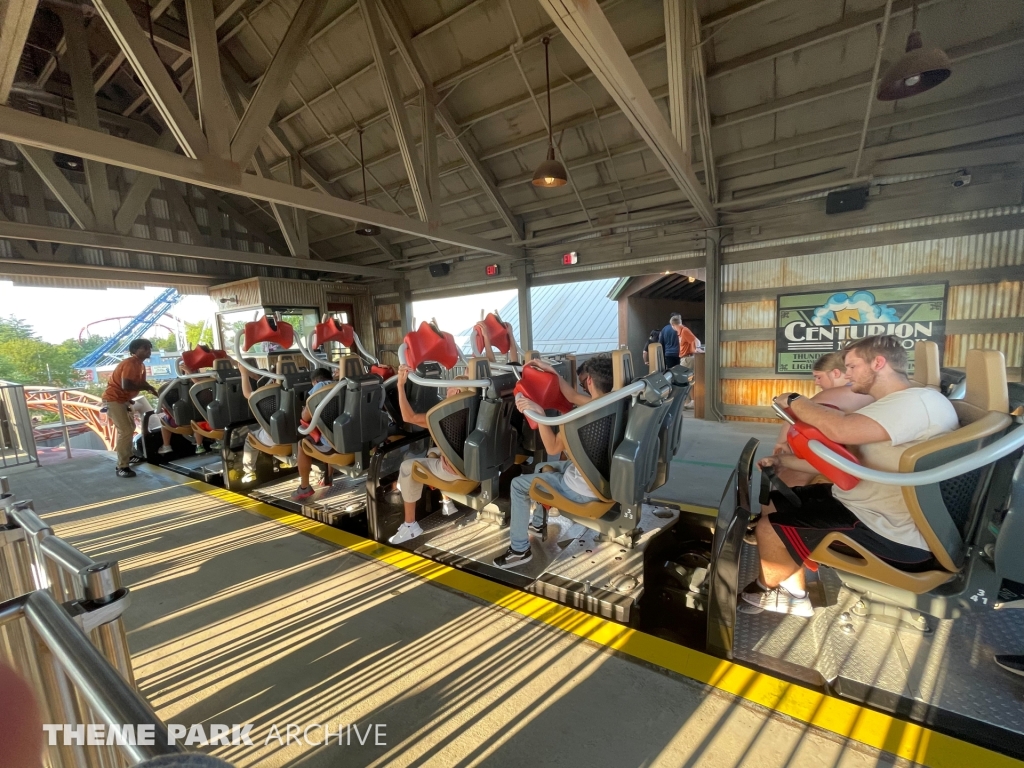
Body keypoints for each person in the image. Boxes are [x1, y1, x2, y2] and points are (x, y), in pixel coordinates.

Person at [742, 334, 959, 617]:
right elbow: (849, 463)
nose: (846, 374)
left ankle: (777, 591)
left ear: (878, 363)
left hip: (890, 532)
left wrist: (795, 400)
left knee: (769, 528)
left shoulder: (915, 403)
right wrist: (784, 463)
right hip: (867, 503)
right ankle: (794, 591)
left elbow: (840, 429)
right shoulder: (898, 404)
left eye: (852, 366)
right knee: (777, 499)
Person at [494, 355, 615, 569]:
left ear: (588, 382)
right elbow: (572, 396)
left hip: (582, 489)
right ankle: (538, 523)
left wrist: (539, 413)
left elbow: (551, 448)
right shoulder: (615, 402)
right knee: (542, 468)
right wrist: (550, 370)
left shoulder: (576, 420)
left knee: (518, 485)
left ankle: (519, 550)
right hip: (603, 477)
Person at [388, 367, 469, 544]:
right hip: (470, 465)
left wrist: (400, 386)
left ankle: (410, 526)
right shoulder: (475, 408)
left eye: (448, 388)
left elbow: (408, 417)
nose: (446, 391)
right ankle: (447, 502)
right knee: (432, 452)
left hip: (454, 472)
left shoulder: (443, 416)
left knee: (407, 466)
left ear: (455, 391)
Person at [770, 350, 875, 487]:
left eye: (819, 377)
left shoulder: (843, 393)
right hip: (858, 457)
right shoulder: (865, 392)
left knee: (786, 477)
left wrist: (781, 442)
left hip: (857, 462)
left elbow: (797, 412)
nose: (816, 383)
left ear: (836, 373)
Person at [102, 338, 158, 479]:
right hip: (114, 400)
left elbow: (139, 382)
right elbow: (126, 385)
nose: (148, 351)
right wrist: (146, 387)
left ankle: (130, 456)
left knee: (130, 427)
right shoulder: (130, 363)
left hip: (123, 400)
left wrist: (150, 388)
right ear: (134, 351)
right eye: (144, 348)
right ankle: (122, 466)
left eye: (149, 348)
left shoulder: (139, 364)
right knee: (125, 431)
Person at [291, 368, 342, 501]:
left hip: (332, 444)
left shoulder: (320, 386)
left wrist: (304, 411)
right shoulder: (341, 385)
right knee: (328, 431)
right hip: (346, 438)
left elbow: (306, 416)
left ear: (315, 381)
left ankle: (304, 487)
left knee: (302, 443)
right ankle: (328, 478)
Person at [157, 356, 221, 457]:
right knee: (199, 419)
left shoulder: (173, 386)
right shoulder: (210, 381)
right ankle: (206, 443)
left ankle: (166, 445)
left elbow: (166, 403)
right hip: (205, 415)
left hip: (183, 420)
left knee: (163, 419)